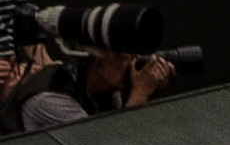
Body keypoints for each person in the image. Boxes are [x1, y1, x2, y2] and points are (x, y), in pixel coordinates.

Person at [5, 43, 172, 133]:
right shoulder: (52, 100)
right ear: (100, 65)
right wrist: (140, 92)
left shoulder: (102, 90)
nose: (133, 65)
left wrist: (150, 88)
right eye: (126, 59)